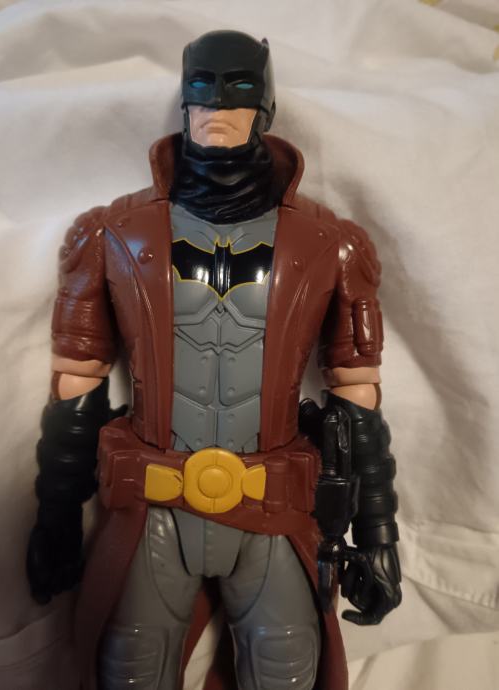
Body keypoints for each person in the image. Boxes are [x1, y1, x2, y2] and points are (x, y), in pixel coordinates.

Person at [27, 30, 401, 690]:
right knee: (129, 672)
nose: (216, 105)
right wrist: (56, 514)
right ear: (183, 100)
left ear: (266, 104)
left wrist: (377, 532)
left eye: (238, 88)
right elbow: (77, 382)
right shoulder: (112, 233)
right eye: (201, 88)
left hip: (273, 511)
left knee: (288, 672)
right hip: (155, 509)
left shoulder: (330, 242)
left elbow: (357, 393)